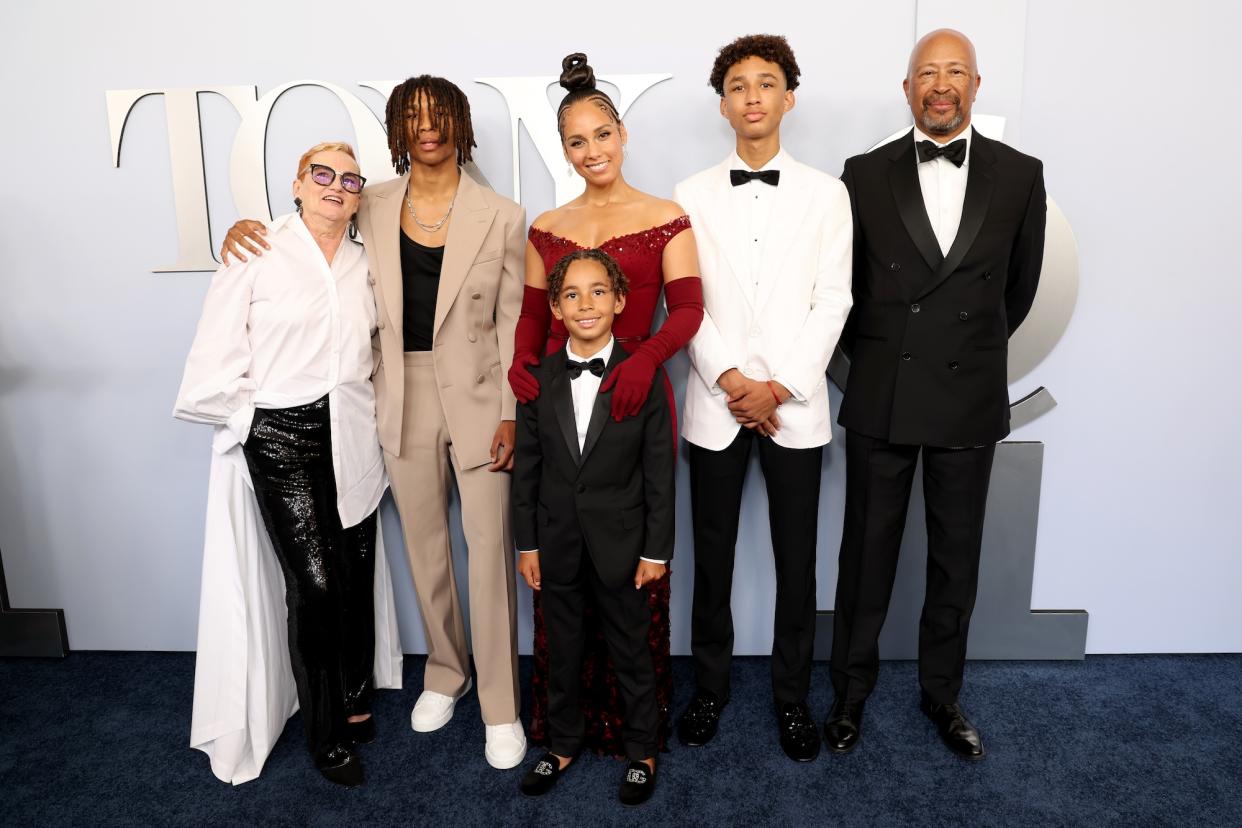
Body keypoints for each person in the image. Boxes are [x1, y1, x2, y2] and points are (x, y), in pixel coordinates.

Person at [221, 76, 527, 770]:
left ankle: (501, 707)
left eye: (439, 115)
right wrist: (246, 229)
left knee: (488, 553)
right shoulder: (372, 203)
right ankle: (447, 674)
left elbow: (512, 323)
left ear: (460, 124)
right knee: (425, 549)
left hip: (480, 397)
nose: (427, 128)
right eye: (413, 117)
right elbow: (312, 231)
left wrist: (512, 410)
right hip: (396, 393)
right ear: (397, 130)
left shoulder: (503, 214)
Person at [827, 29, 1046, 761]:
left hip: (967, 392)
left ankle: (942, 694)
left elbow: (1015, 293)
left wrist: (967, 352)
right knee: (866, 553)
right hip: (883, 390)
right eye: (928, 73)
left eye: (955, 72)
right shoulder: (860, 173)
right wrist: (885, 358)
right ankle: (850, 694)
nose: (941, 84)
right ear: (907, 89)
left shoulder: (1020, 175)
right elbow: (842, 293)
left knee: (957, 555)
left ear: (977, 85)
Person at [176, 142, 395, 787]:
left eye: (350, 179)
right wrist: (254, 420)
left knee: (355, 571)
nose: (336, 186)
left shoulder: (364, 262)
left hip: (354, 430)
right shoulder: (255, 251)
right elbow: (213, 358)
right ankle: (324, 731)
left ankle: (355, 698)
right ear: (297, 185)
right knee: (317, 584)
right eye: (321, 174)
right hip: (282, 435)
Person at [508, 52, 703, 755]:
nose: (592, 150)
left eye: (602, 134)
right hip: (558, 415)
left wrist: (646, 358)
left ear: (623, 135)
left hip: (634, 400)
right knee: (563, 597)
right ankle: (563, 737)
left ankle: (638, 741)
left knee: (627, 592)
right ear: (563, 149)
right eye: (576, 141)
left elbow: (687, 309)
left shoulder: (666, 216)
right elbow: (533, 318)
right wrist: (521, 366)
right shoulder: (547, 224)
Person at [672, 34, 853, 763]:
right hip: (717, 404)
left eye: (766, 83)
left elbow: (834, 297)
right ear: (723, 104)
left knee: (796, 561)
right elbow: (687, 306)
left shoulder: (826, 193)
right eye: (739, 85)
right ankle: (709, 688)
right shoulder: (688, 194)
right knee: (709, 557)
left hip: (795, 403)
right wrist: (732, 382)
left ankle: (792, 698)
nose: (752, 96)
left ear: (789, 98)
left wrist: (779, 385)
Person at [512, 249, 673, 806]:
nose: (586, 303)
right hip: (555, 542)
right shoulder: (538, 377)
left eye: (598, 291)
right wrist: (526, 542)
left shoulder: (641, 375)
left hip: (623, 545)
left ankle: (642, 750)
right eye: (572, 294)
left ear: (620, 301)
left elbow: (659, 473)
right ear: (555, 308)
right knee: (563, 649)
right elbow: (527, 468)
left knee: (631, 650)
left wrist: (657, 550)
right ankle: (560, 744)